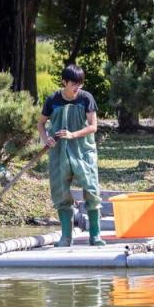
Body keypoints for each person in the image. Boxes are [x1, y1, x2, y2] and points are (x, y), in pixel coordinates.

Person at [38, 64, 102, 247]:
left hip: (83, 151)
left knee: (91, 189)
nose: (77, 88)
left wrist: (73, 134)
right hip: (58, 152)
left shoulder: (86, 98)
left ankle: (95, 236)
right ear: (64, 82)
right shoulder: (53, 100)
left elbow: (93, 126)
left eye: (80, 84)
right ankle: (66, 238)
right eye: (74, 84)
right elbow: (41, 123)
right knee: (60, 191)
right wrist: (46, 139)